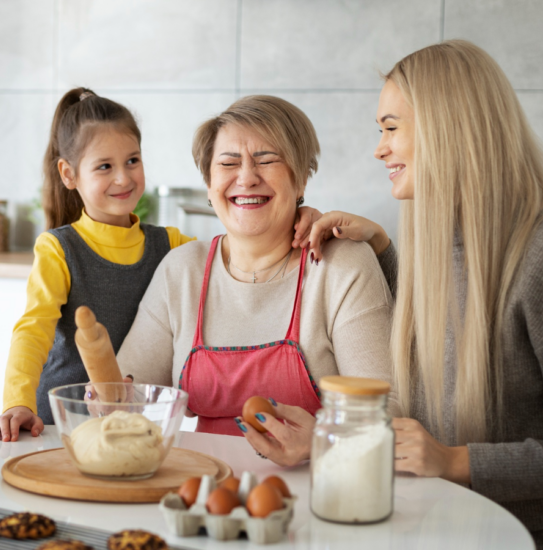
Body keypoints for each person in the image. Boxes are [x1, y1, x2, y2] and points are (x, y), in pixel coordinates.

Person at [294, 40, 543, 549]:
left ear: (445, 127)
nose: (379, 148)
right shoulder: (441, 242)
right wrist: (382, 249)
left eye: (390, 128)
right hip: (464, 530)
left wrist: (456, 461)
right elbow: (454, 331)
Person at [0, 88, 320, 442]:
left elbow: (240, 250)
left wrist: (298, 216)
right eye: (104, 167)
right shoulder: (58, 248)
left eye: (132, 161)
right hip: (60, 423)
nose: (123, 178)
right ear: (69, 175)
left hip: (130, 423)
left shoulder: (171, 245)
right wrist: (15, 404)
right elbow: (32, 332)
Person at [116, 95, 397, 457]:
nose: (246, 178)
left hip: (320, 490)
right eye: (229, 163)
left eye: (267, 160)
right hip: (201, 489)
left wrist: (321, 444)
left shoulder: (341, 266)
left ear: (300, 181)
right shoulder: (181, 270)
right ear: (209, 184)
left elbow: (387, 412)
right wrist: (104, 395)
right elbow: (124, 398)